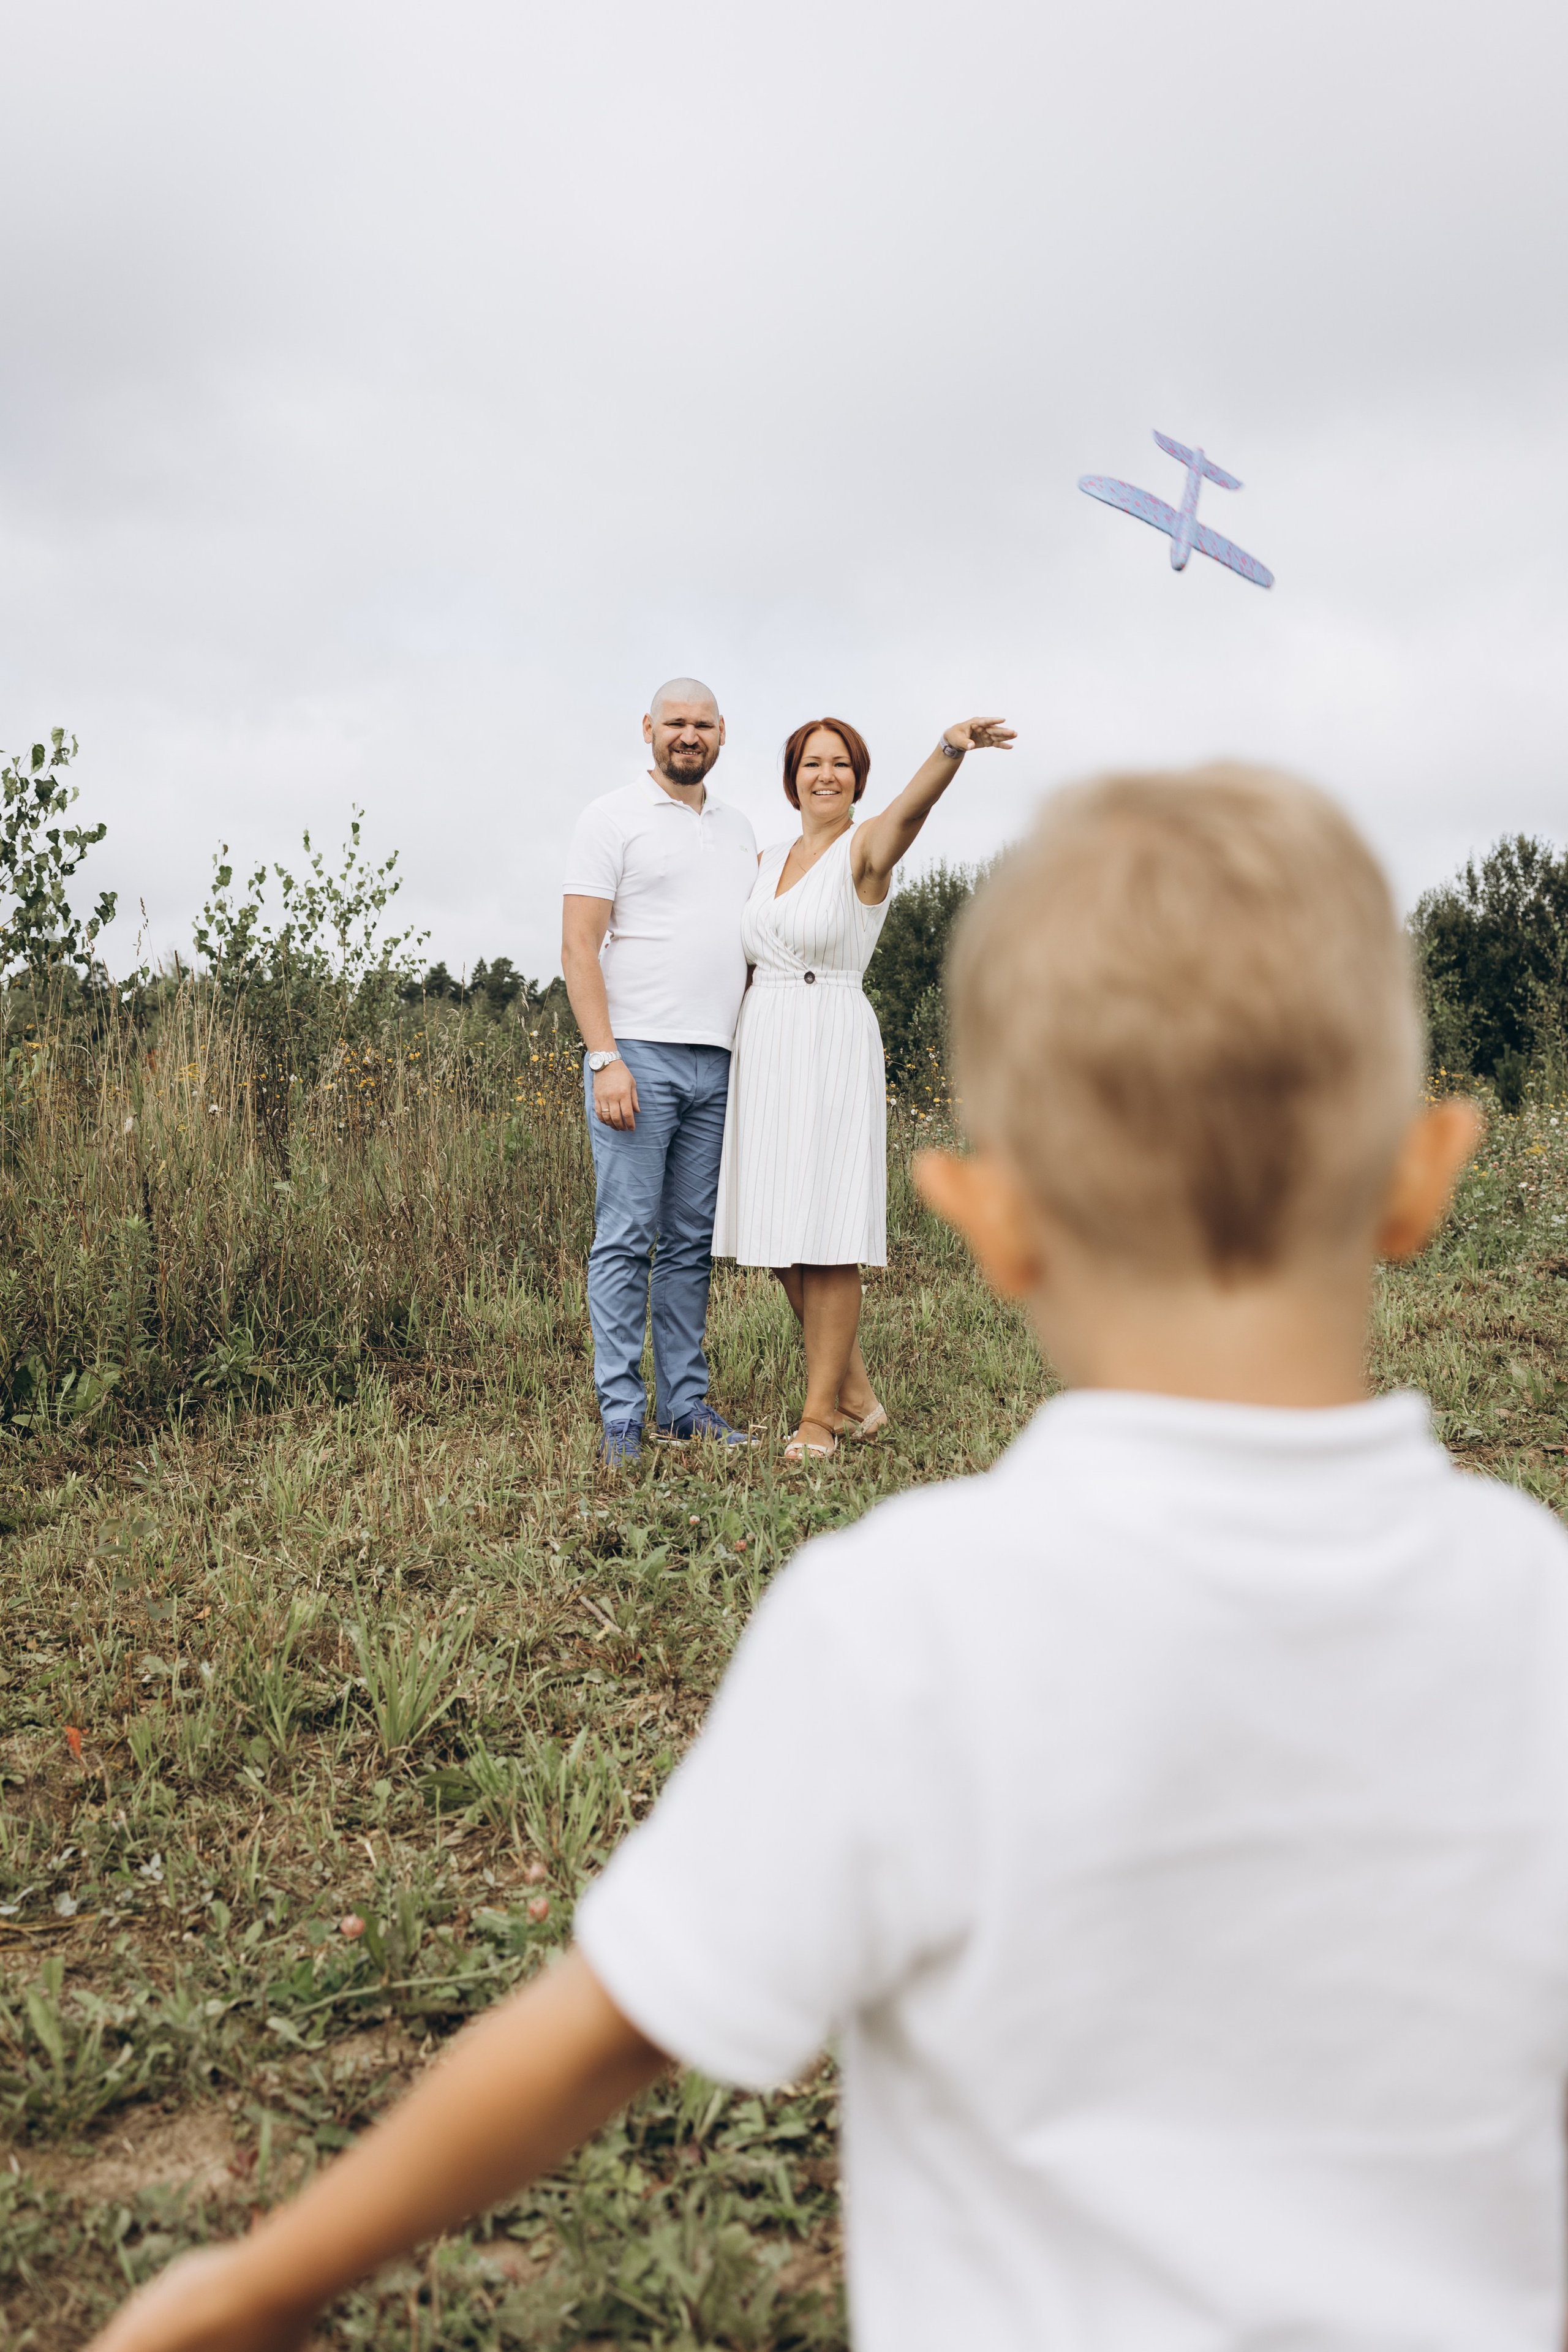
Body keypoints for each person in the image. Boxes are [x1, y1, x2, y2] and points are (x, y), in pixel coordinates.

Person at [94, 764, 1568, 2352]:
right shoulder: (1535, 1602)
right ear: (1425, 1172)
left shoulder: (900, 1620)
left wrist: (256, 2285)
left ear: (985, 1217)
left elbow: (605, 2032)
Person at [711, 712, 1014, 1458]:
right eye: (812, 764)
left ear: (858, 779)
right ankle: (858, 1398)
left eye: (840, 764)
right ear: (792, 780)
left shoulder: (867, 847)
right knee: (778, 1234)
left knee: (827, 1233)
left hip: (830, 1038)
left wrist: (948, 751)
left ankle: (820, 1418)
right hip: (765, 1043)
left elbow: (911, 810)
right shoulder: (764, 859)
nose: (826, 775)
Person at [560, 678, 759, 1466]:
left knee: (688, 1245)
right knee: (625, 1239)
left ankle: (683, 1406)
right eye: (675, 722)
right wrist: (605, 1058)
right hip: (636, 1055)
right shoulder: (610, 817)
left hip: (718, 1059)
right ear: (648, 728)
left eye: (702, 724)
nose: (688, 735)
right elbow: (579, 945)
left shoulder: (739, 829)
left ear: (721, 733)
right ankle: (621, 1417)